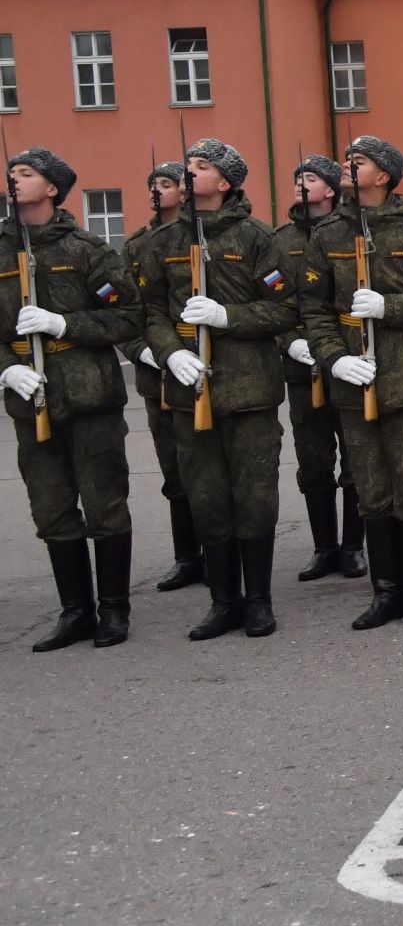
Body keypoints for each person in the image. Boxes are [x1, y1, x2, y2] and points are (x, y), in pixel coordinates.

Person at [140, 139, 297, 639]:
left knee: (253, 497)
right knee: (206, 498)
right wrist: (171, 352)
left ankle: (257, 601)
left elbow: (284, 308)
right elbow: (151, 311)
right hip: (189, 390)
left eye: (201, 167)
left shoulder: (256, 238)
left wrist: (228, 316)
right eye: (188, 166)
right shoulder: (163, 241)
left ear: (225, 182)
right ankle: (222, 600)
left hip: (249, 388)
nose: (189, 174)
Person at [303, 136, 403, 630]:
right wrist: (332, 360)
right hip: (354, 378)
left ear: (384, 175)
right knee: (370, 488)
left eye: (361, 161)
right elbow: (314, 308)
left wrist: (392, 307)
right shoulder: (327, 234)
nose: (349, 166)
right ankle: (384, 590)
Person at [3, 148, 141, 650]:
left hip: (89, 396)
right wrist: (8, 368)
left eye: (27, 174)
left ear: (54, 188)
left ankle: (114, 610)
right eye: (12, 173)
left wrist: (65, 324)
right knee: (52, 509)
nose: (15, 181)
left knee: (105, 506)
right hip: (31, 398)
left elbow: (128, 316)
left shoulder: (86, 249)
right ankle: (75, 612)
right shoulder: (0, 248)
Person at [276, 153, 366, 583]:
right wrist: (291, 343)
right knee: (313, 462)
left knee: (355, 458)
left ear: (331, 189)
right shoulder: (277, 241)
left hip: (348, 361)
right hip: (302, 368)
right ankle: (323, 547)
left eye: (309, 178)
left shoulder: (353, 233)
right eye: (297, 177)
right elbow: (272, 303)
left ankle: (352, 547)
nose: (300, 184)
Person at [124, 161, 206, 593]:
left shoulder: (201, 235)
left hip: (204, 366)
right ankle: (186, 556)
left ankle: (215, 551)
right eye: (152, 184)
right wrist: (147, 352)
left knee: (205, 468)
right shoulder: (139, 244)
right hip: (158, 375)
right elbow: (129, 312)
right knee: (173, 470)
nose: (158, 191)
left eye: (167, 184)